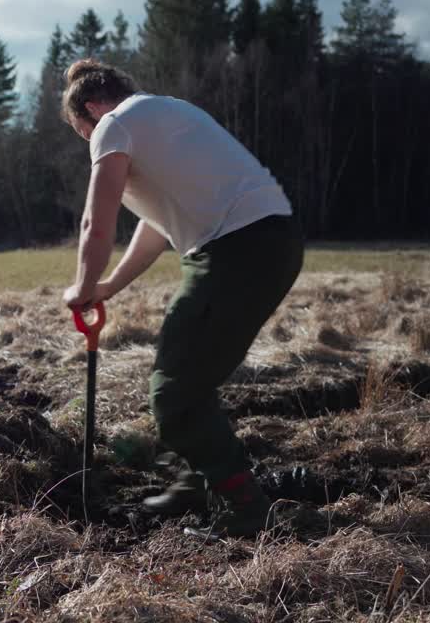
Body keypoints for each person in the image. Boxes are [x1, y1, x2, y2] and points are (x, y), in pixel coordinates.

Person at [59, 59, 304, 537]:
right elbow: (156, 229)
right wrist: (108, 287)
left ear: (90, 109)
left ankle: (244, 509)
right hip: (273, 239)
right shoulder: (166, 115)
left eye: (78, 131)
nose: (86, 141)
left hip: (235, 250)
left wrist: (83, 287)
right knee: (189, 374)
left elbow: (96, 221)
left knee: (173, 392)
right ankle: (198, 481)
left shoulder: (112, 126)